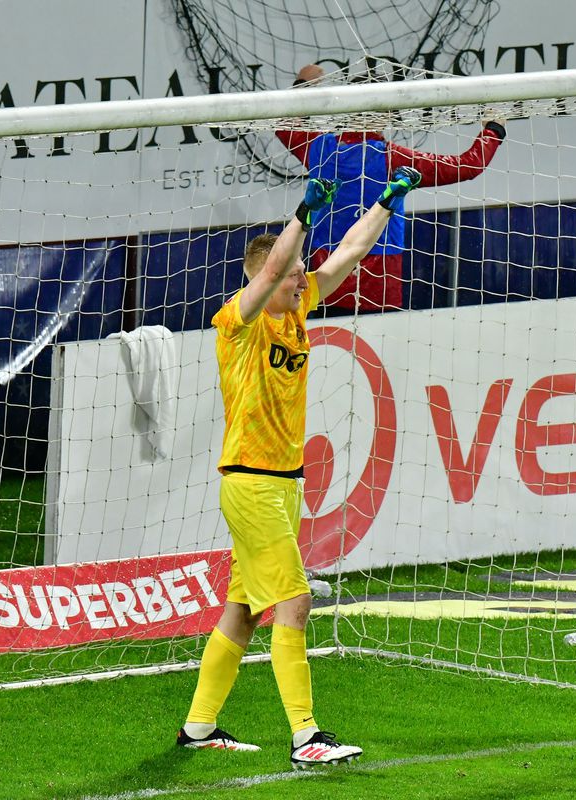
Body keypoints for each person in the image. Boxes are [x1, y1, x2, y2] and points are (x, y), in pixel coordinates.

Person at [176, 166, 422, 767]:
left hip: (282, 485)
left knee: (244, 609)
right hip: (251, 481)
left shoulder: (297, 304)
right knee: (295, 599)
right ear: (269, 275)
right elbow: (270, 273)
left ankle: (200, 727)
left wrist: (388, 202)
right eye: (291, 275)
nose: (301, 282)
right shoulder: (241, 319)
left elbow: (346, 257)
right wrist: (302, 213)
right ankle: (306, 736)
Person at [276, 62, 508, 313]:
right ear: (386, 113)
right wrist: (494, 130)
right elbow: (468, 166)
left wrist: (302, 85)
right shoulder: (392, 158)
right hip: (379, 283)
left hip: (323, 281)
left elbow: (283, 125)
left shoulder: (319, 149)